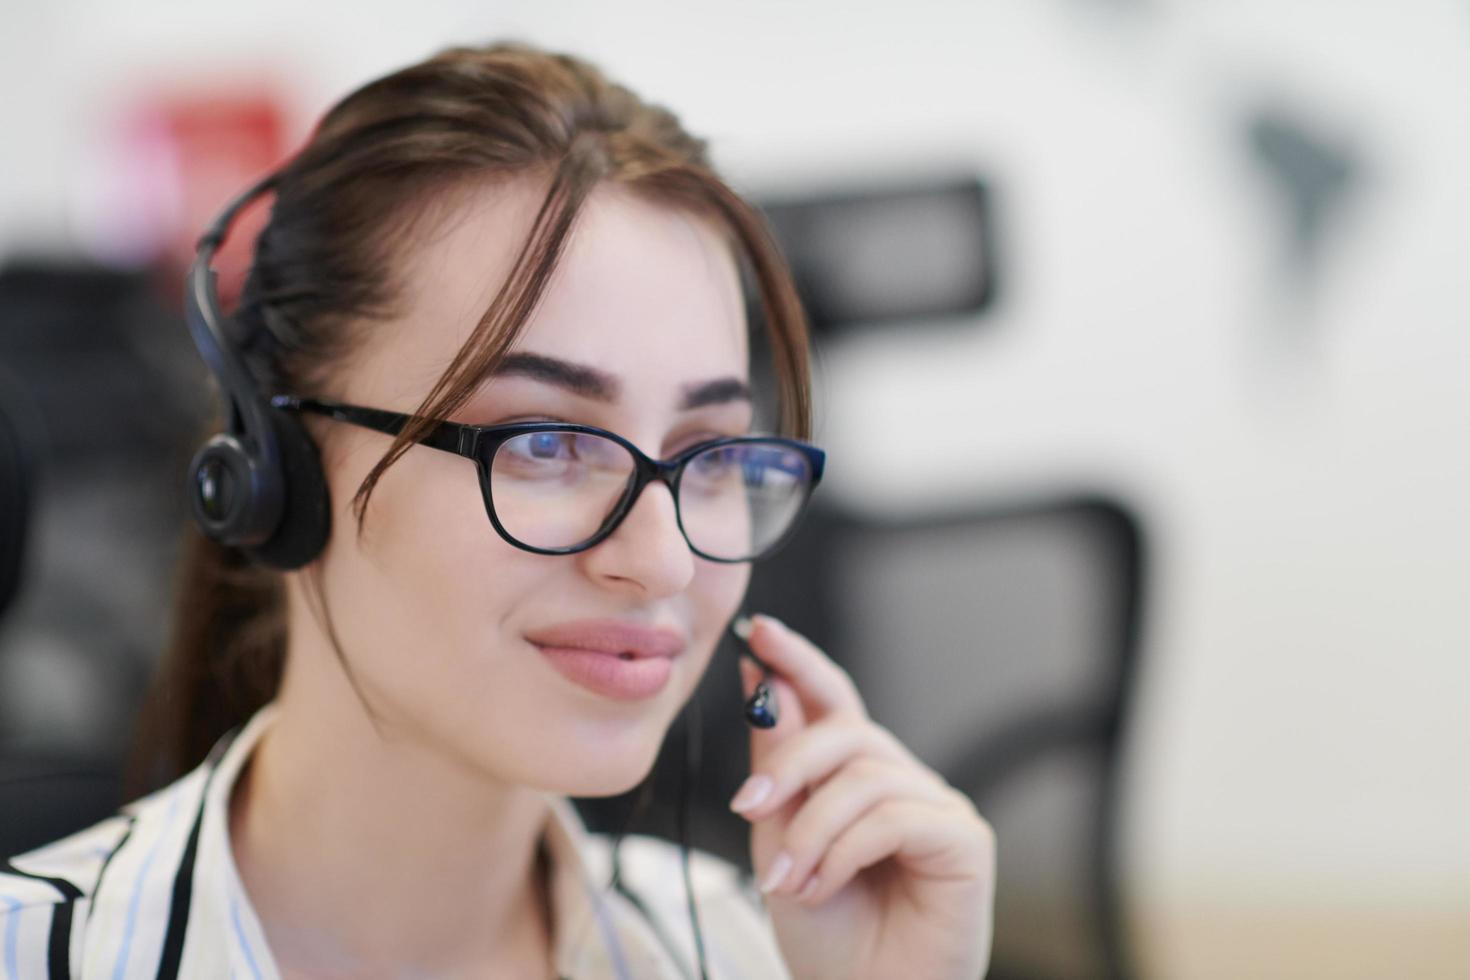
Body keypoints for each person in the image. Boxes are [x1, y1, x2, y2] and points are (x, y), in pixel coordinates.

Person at [0, 40, 994, 979]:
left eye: (707, 454)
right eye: (547, 442)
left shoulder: (756, 947)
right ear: (278, 465)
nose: (663, 564)